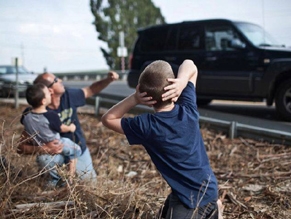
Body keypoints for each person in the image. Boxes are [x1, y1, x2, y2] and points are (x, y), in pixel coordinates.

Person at [101, 60, 219, 219]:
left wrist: (135, 98)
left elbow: (108, 118)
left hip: (194, 201)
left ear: (148, 99)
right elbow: (190, 65)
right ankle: (214, 208)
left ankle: (215, 212)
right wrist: (183, 81)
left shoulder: (146, 126)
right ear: (174, 88)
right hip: (204, 188)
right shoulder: (188, 108)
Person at [18, 70, 119, 187]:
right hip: (52, 154)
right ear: (49, 91)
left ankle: (68, 178)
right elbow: (21, 148)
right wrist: (44, 148)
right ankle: (53, 182)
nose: (60, 80)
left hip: (76, 149)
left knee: (89, 183)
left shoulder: (69, 95)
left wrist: (108, 80)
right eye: (56, 80)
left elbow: (90, 90)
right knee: (45, 161)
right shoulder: (34, 115)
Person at [21, 83, 82, 184]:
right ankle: (70, 178)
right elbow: (62, 128)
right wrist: (71, 127)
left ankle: (52, 183)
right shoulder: (51, 116)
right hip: (57, 143)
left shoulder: (26, 116)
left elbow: (25, 125)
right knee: (76, 150)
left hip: (40, 146)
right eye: (48, 93)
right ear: (44, 101)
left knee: (50, 171)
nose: (50, 93)